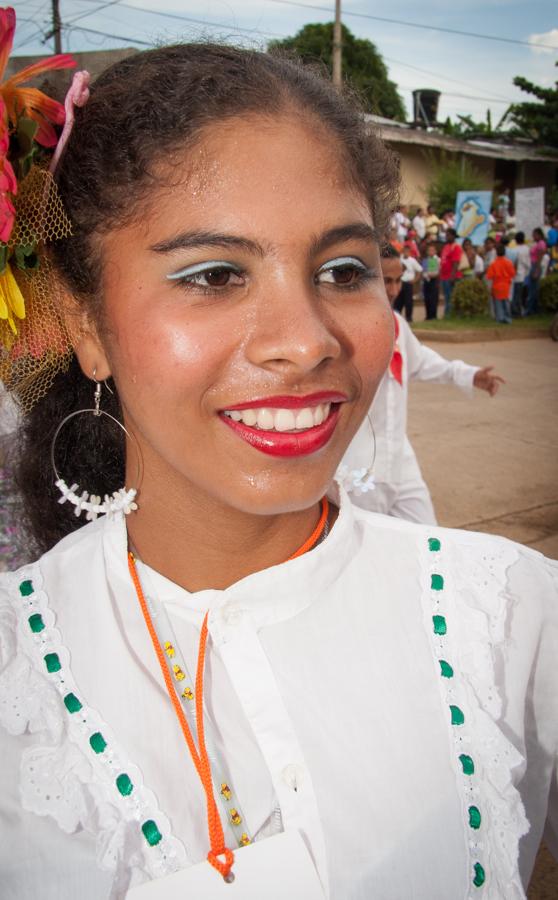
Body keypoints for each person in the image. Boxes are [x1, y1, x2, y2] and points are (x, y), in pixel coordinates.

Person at [0, 35, 557, 900]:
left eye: (344, 269)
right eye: (215, 274)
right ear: (83, 324)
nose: (306, 341)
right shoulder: (14, 665)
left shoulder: (513, 623)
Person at [339, 244, 505, 525]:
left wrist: (467, 374)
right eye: (385, 280)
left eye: (397, 281)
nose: (392, 290)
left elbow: (422, 361)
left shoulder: (398, 324)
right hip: (358, 466)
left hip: (400, 459)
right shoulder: (342, 334)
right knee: (364, 547)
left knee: (428, 538)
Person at [486, 243, 515, 324]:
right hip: (506, 285)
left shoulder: (493, 264)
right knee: (506, 302)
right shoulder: (509, 263)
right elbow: (512, 274)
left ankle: (500, 318)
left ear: (496, 252)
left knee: (498, 303)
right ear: (505, 252)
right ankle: (508, 318)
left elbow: (489, 276)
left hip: (497, 286)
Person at [394, 243, 422, 322]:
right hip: (401, 282)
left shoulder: (412, 261)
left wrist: (415, 280)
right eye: (404, 251)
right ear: (403, 251)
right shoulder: (399, 259)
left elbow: (419, 270)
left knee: (408, 301)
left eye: (408, 251)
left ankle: (409, 318)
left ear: (410, 252)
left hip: (409, 283)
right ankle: (397, 317)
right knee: (398, 301)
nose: (406, 253)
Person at [439, 228, 462, 316]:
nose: (446, 237)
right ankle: (448, 314)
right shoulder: (446, 246)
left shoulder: (456, 247)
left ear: (453, 236)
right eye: (446, 235)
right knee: (447, 296)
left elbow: (456, 262)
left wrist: (452, 276)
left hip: (451, 276)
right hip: (444, 276)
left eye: (448, 235)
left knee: (451, 297)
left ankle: (450, 314)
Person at [526, 228, 547, 315]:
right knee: (532, 289)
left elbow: (539, 257)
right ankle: (533, 309)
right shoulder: (537, 244)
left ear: (539, 235)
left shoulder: (541, 244)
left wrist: (537, 270)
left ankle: (531, 309)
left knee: (533, 290)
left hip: (535, 266)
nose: (533, 236)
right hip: (533, 265)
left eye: (534, 235)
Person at [512, 231, 531, 316]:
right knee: (520, 294)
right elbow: (528, 263)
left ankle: (516, 311)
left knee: (516, 294)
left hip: (515, 275)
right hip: (523, 274)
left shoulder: (514, 250)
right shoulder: (527, 249)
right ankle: (518, 311)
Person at [421, 242, 440, 319]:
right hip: (427, 281)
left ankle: (433, 315)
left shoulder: (438, 260)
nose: (431, 252)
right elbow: (423, 271)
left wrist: (433, 275)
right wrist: (426, 275)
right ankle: (428, 315)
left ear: (435, 251)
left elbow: (438, 271)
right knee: (427, 298)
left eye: (432, 250)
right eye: (429, 250)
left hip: (434, 281)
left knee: (434, 298)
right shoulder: (425, 260)